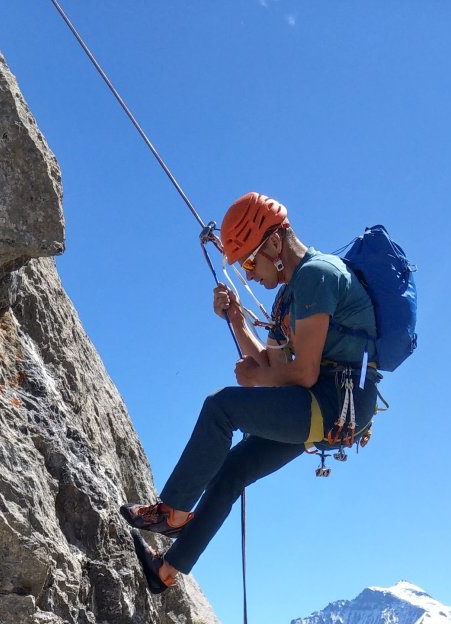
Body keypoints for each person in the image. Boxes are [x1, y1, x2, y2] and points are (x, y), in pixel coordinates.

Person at [122, 192, 380, 595]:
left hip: (334, 402)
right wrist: (237, 320)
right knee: (231, 470)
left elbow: (303, 373)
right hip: (322, 406)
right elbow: (271, 366)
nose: (249, 274)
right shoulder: (287, 299)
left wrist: (255, 379)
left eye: (248, 261)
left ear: (274, 243)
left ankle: (172, 512)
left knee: (221, 408)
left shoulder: (318, 275)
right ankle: (166, 571)